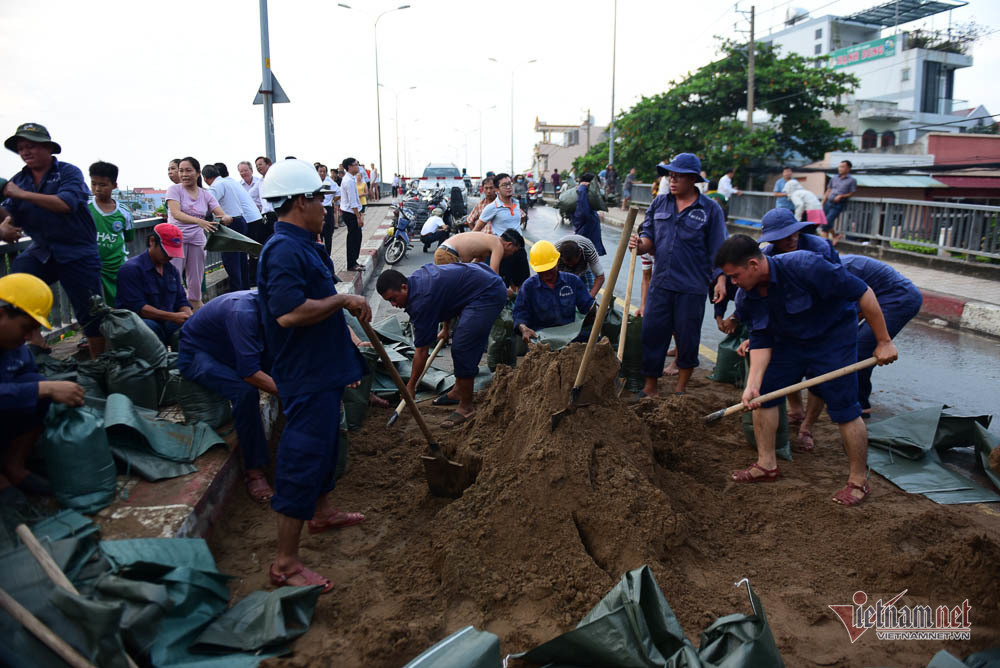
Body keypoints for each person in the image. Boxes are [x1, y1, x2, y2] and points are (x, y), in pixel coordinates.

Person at [717, 234, 899, 506]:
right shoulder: (746, 297)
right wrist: (752, 384)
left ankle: (858, 481)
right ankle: (766, 464)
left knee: (845, 407)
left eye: (734, 275)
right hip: (789, 344)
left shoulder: (805, 266)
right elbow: (761, 340)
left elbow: (863, 293)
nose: (732, 283)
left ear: (754, 264)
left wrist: (884, 341)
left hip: (832, 340)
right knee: (763, 394)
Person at [257, 159, 370, 593]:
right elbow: (288, 314)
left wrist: (340, 316)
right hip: (304, 372)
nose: (327, 206)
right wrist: (341, 301)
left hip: (322, 367)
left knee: (323, 449)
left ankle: (322, 513)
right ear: (300, 201)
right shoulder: (284, 250)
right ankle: (285, 561)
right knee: (303, 455)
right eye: (321, 199)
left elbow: (317, 301)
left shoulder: (306, 243)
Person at [0, 123, 106, 357]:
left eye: (32, 146)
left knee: (91, 310)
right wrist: (4, 227)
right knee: (20, 276)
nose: (26, 152)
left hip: (77, 251)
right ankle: (38, 344)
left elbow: (65, 204)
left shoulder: (69, 172)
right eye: (21, 148)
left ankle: (101, 361)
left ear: (48, 148)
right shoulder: (19, 180)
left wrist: (18, 193)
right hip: (43, 251)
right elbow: (11, 216)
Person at [628, 153, 727, 396]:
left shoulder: (710, 210)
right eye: (670, 175)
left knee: (687, 337)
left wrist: (721, 279)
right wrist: (640, 245)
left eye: (678, 176)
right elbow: (649, 238)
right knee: (653, 333)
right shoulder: (659, 204)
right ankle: (650, 387)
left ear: (692, 179)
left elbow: (719, 249)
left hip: (692, 286)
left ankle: (680, 390)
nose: (672, 180)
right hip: (661, 283)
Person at [796, 255, 921, 433]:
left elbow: (846, 316)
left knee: (859, 353)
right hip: (873, 296)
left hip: (899, 298)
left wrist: (882, 341)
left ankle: (861, 408)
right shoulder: (811, 274)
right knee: (834, 350)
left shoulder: (834, 274)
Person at [377, 263, 506, 428]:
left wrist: (410, 387)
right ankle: (459, 392)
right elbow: (448, 299)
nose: (393, 305)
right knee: (459, 340)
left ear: (403, 287)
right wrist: (446, 328)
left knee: (462, 346)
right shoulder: (415, 281)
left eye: (393, 299)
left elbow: (422, 350)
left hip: (487, 292)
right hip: (478, 283)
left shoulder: (421, 301)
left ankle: (466, 407)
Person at [178, 290, 278, 504]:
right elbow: (249, 374)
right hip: (198, 354)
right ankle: (254, 471)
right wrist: (291, 394)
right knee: (245, 392)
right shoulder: (242, 312)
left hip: (228, 350)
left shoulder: (275, 307)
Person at [0, 274, 86, 500]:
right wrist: (43, 389)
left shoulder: (14, 346)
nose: (30, 337)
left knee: (42, 387)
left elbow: (30, 378)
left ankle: (14, 466)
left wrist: (46, 389)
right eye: (26, 328)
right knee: (41, 389)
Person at [165, 157, 229, 309]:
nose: (184, 174)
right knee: (171, 280)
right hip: (175, 241)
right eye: (181, 171)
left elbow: (220, 212)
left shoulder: (205, 194)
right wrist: (199, 221)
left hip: (196, 241)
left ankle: (199, 316)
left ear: (198, 173)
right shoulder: (174, 190)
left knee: (195, 285)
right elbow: (176, 214)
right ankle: (170, 313)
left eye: (188, 170)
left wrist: (226, 218)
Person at [116, 223, 193, 345]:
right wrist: (172, 317)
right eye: (165, 252)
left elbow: (181, 300)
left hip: (167, 321)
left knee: (189, 331)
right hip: (141, 323)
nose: (170, 257)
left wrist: (188, 315)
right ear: (152, 242)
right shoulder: (131, 270)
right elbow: (138, 308)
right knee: (148, 328)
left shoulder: (172, 271)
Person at [513, 240, 595, 343]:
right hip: (542, 338)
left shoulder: (572, 281)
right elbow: (520, 313)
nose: (547, 274)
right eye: (542, 271)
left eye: (550, 269)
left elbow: (587, 305)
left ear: (556, 263)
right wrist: (523, 328)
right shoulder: (528, 287)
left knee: (596, 340)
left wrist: (595, 310)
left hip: (569, 336)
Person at [204, 163, 261, 292]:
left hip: (231, 223)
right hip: (241, 221)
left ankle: (237, 291)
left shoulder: (216, 186)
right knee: (241, 261)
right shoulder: (228, 182)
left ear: (205, 178)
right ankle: (244, 290)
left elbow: (207, 206)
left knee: (231, 261)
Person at [88, 161, 135, 306]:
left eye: (102, 185)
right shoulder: (85, 207)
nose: (97, 189)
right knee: (91, 304)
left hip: (116, 265)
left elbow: (129, 237)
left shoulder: (124, 212)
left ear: (114, 185)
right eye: (94, 184)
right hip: (90, 264)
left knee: (118, 303)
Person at [434, 229, 523, 272]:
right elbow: (494, 274)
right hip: (448, 254)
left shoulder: (489, 242)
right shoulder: (498, 245)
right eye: (514, 251)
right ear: (509, 244)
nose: (512, 254)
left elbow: (477, 268)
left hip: (445, 252)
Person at [572, 173, 607, 256]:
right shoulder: (582, 192)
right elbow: (583, 212)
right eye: (596, 185)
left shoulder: (586, 195)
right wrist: (583, 187)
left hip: (590, 242)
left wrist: (595, 215)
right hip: (585, 241)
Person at [340, 157, 365, 272]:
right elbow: (352, 202)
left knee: (357, 237)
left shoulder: (351, 179)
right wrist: (358, 217)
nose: (358, 166)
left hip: (351, 212)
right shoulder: (348, 181)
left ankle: (354, 261)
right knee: (353, 238)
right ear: (349, 167)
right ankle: (351, 264)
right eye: (356, 164)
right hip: (350, 213)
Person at [823, 160, 857, 241]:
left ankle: (827, 244)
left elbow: (851, 193)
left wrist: (841, 196)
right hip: (828, 202)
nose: (840, 168)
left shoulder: (852, 180)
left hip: (838, 204)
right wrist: (823, 202)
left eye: (842, 167)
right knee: (825, 221)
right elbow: (828, 190)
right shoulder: (834, 178)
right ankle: (835, 236)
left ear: (848, 168)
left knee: (825, 223)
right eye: (840, 166)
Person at [317, 164, 342, 255]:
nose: (322, 173)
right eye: (320, 171)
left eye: (324, 171)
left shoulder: (330, 182)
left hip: (328, 208)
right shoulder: (314, 182)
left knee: (328, 235)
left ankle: (328, 254)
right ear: (317, 172)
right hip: (317, 209)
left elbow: (339, 194)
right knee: (318, 235)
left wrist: (332, 201)